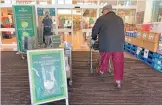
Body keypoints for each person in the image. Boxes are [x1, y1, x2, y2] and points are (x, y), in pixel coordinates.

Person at [91, 4, 125, 88]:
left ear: (105, 10)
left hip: (106, 45)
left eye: (103, 12)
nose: (103, 13)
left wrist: (94, 38)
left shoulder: (101, 19)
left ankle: (102, 71)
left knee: (104, 59)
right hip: (118, 46)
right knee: (118, 63)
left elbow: (95, 30)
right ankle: (118, 82)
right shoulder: (120, 19)